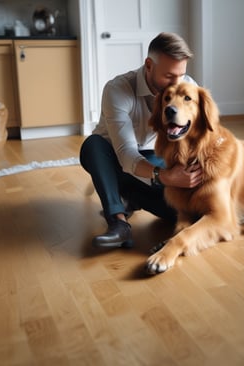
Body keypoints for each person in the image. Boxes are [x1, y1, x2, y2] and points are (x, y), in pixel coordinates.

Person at [80, 32, 202, 248]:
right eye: (169, 76)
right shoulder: (117, 89)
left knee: (185, 211)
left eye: (180, 75)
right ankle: (118, 222)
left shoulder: (188, 87)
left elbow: (200, 138)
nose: (176, 84)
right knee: (92, 145)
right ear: (148, 65)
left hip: (155, 157)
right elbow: (127, 155)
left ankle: (131, 195)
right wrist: (165, 177)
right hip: (112, 158)